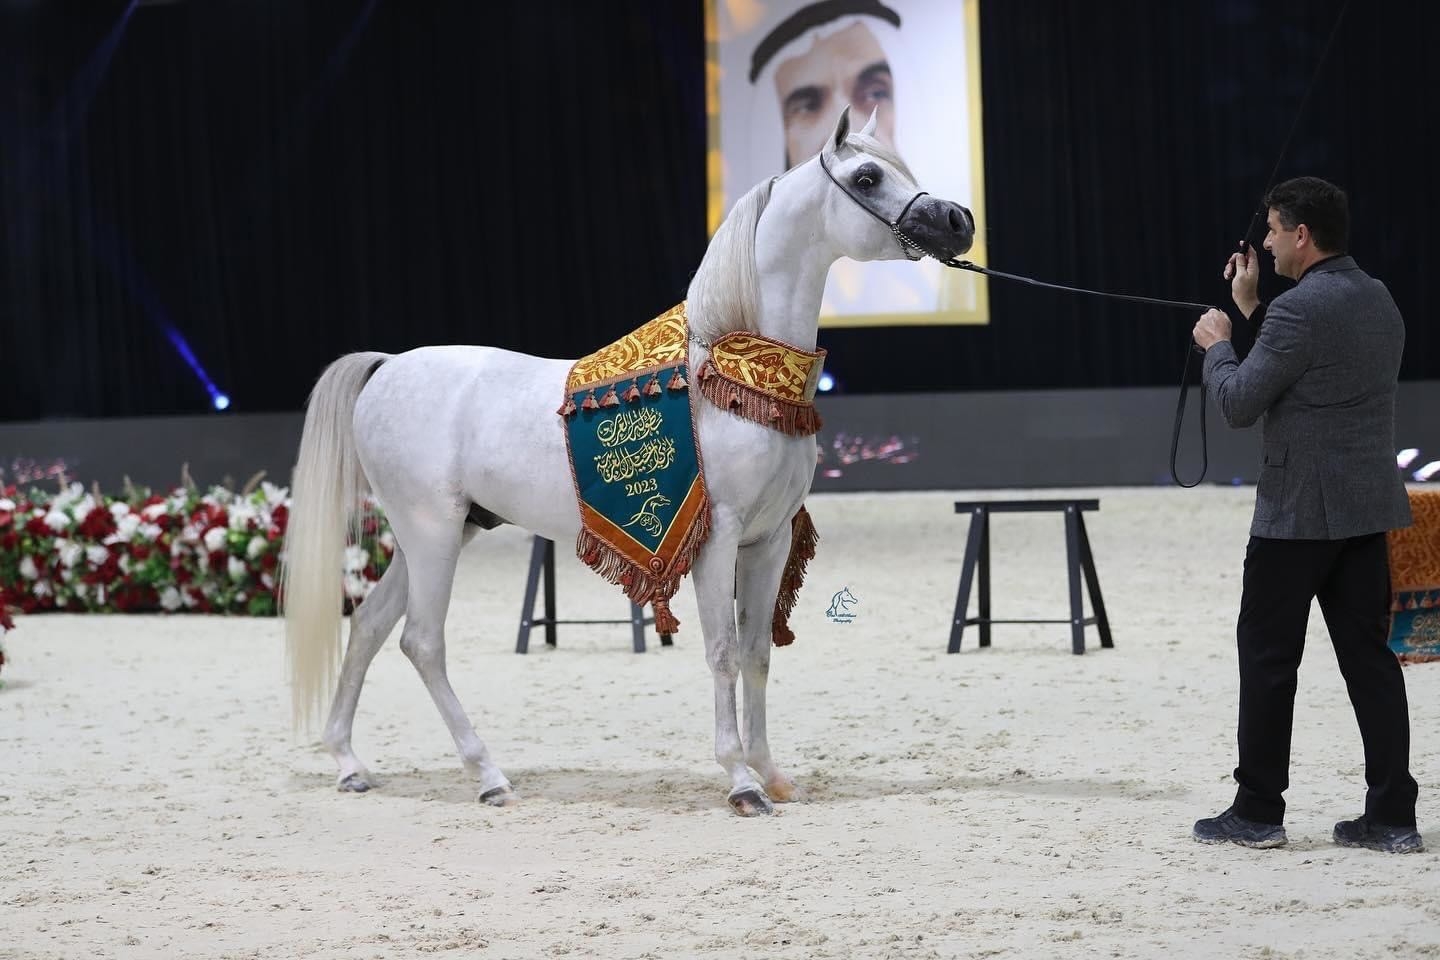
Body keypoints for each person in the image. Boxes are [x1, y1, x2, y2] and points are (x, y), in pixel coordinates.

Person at [1190, 176, 1422, 854]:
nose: (1264, 242)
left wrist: (1218, 344)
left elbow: (1239, 402)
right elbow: (1311, 364)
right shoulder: (1377, 296)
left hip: (1295, 515)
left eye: (1271, 230)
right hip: (1364, 510)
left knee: (1268, 661)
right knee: (1371, 663)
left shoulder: (1298, 312)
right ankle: (1392, 816)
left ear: (1300, 234)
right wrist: (1252, 307)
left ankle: (1258, 811)